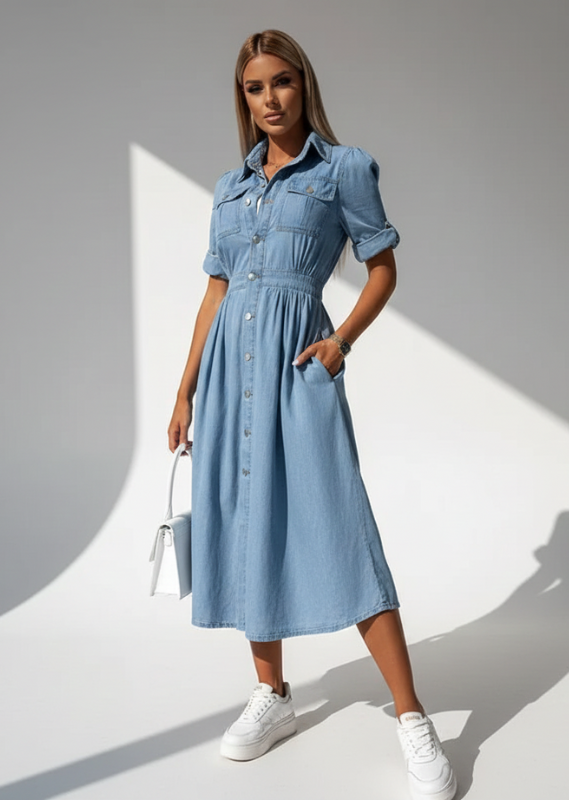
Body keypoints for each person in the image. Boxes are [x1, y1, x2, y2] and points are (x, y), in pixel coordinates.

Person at [167, 29, 457, 800]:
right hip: (231, 376)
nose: (270, 99)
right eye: (255, 88)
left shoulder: (343, 171)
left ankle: (413, 718)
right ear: (244, 98)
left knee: (341, 524)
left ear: (304, 86)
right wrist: (186, 385)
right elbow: (218, 291)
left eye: (282, 83)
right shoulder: (230, 189)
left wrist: (341, 345)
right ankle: (274, 694)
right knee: (244, 522)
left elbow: (382, 265)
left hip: (300, 369)